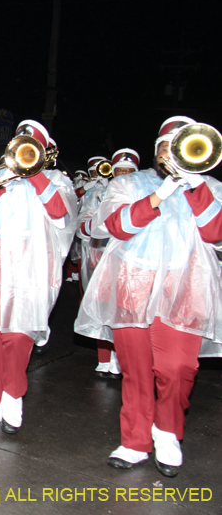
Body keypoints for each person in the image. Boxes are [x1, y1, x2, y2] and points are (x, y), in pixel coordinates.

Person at [75, 116, 222, 478]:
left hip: (186, 290)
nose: (170, 153)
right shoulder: (129, 183)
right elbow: (114, 227)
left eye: (179, 145)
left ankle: (168, 432)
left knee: (179, 368)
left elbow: (216, 234)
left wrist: (195, 188)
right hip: (132, 286)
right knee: (136, 370)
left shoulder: (212, 187)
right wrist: (158, 196)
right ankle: (135, 441)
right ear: (156, 150)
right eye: (164, 146)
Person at [0, 120, 75, 433]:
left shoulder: (54, 180)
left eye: (31, 145)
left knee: (19, 335)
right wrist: (1, 184)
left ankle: (13, 394)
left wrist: (33, 175)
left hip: (31, 266)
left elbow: (62, 216)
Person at [76, 148, 139, 379]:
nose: (123, 175)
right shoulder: (101, 192)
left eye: (128, 171)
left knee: (125, 309)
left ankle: (121, 358)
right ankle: (104, 358)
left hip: (131, 260)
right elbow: (84, 224)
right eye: (119, 170)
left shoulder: (145, 193)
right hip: (101, 255)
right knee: (103, 305)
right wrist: (99, 223)